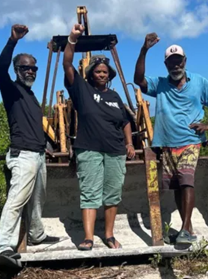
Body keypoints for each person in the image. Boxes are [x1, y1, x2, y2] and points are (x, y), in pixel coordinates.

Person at [134, 33, 208, 244]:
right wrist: (144, 50)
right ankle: (188, 229)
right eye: (171, 63)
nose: (175, 66)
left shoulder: (199, 82)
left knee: (186, 180)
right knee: (175, 185)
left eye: (178, 61)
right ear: (166, 64)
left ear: (185, 61)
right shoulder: (160, 84)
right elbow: (139, 80)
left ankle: (184, 228)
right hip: (167, 143)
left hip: (191, 139)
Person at [63, 24, 135, 250]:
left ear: (109, 75)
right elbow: (67, 63)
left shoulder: (115, 96)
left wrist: (130, 143)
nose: (102, 74)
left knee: (113, 194)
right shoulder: (82, 90)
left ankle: (109, 235)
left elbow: (124, 121)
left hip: (115, 151)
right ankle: (88, 237)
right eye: (98, 71)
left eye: (105, 72)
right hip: (89, 149)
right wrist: (72, 39)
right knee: (91, 193)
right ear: (91, 74)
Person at [0, 24, 59, 259]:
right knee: (17, 199)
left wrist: (45, 148)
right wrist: (12, 41)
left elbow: (32, 127)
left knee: (38, 199)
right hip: (23, 154)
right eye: (25, 68)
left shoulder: (30, 97)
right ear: (17, 70)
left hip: (38, 153)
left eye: (33, 68)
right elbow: (0, 70)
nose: (30, 72)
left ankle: (36, 234)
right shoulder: (11, 90)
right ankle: (3, 247)